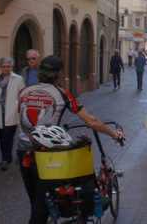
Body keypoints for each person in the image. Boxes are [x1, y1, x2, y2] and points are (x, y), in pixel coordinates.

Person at [17, 55, 124, 224]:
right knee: (43, 209)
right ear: (60, 74)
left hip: (24, 153)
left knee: (36, 201)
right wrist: (114, 133)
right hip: (47, 155)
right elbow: (91, 121)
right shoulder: (62, 94)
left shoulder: (24, 92)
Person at [0, 57, 25, 171]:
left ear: (11, 67)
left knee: (8, 135)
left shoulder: (18, 79)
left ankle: (6, 159)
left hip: (11, 112)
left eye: (8, 66)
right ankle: (6, 157)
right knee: (2, 136)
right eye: (3, 66)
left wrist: (16, 106)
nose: (6, 68)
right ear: (0, 67)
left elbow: (22, 94)